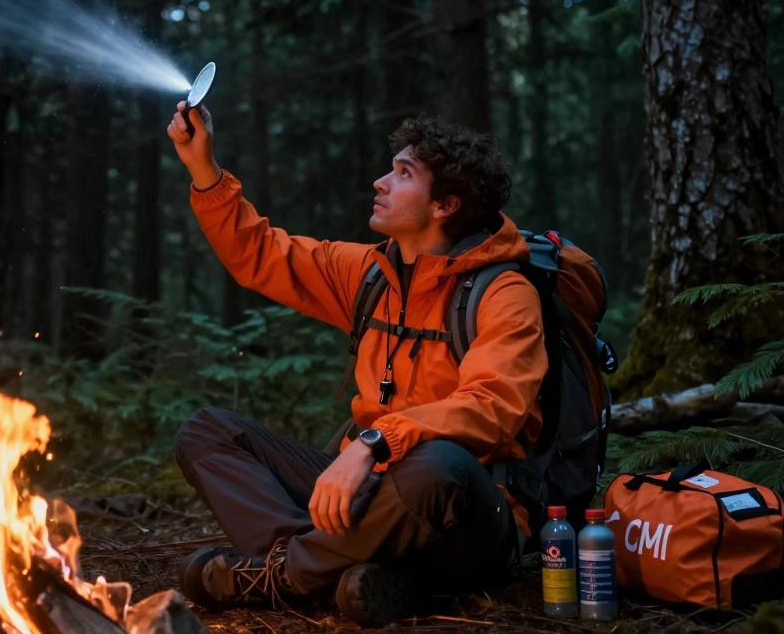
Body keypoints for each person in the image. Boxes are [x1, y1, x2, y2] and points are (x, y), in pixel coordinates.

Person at [165, 101, 548, 627]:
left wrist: (376, 441)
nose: (381, 181)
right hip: (365, 491)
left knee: (440, 467)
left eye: (404, 173)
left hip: (467, 513)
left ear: (446, 205)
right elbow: (261, 254)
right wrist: (202, 168)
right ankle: (334, 571)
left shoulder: (504, 293)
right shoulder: (369, 274)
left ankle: (281, 576)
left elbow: (491, 408)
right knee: (207, 432)